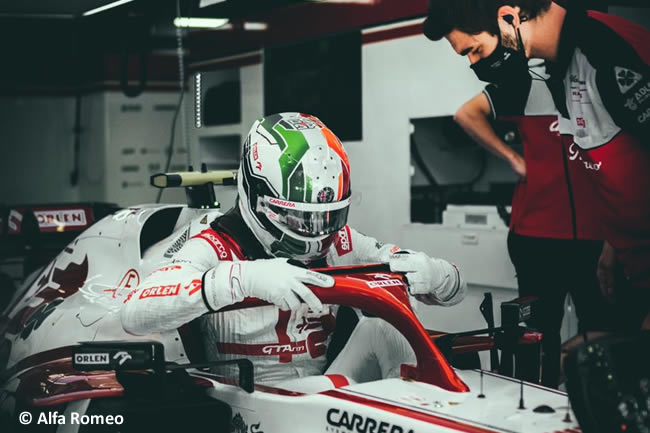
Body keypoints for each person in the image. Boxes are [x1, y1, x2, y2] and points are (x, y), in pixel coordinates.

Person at [121, 112, 467, 387]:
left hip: (327, 392)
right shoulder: (214, 246)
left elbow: (455, 292)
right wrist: (242, 278)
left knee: (383, 327)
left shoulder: (342, 242)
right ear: (255, 196)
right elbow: (135, 314)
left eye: (325, 217)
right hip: (251, 402)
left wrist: (436, 274)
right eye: (297, 217)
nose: (315, 233)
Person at [423, 0, 650, 329]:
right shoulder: (561, 70)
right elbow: (613, 175)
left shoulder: (605, 50)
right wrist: (612, 246)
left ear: (507, 17)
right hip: (625, 265)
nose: (474, 63)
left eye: (474, 50)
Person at [455, 71, 617, 387]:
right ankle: (537, 407)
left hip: (597, 237)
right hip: (536, 236)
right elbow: (467, 114)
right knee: (540, 335)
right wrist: (515, 159)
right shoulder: (527, 84)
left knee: (600, 330)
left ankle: (597, 408)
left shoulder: (599, 84)